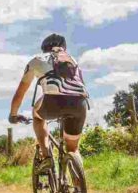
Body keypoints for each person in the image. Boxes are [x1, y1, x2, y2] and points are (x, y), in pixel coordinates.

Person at [8, 33, 88, 168]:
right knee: (73, 149)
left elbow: (19, 94)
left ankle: (47, 157)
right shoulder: (73, 60)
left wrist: (13, 115)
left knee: (37, 115)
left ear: (44, 48)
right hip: (79, 104)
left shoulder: (36, 60)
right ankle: (79, 185)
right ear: (64, 47)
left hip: (52, 103)